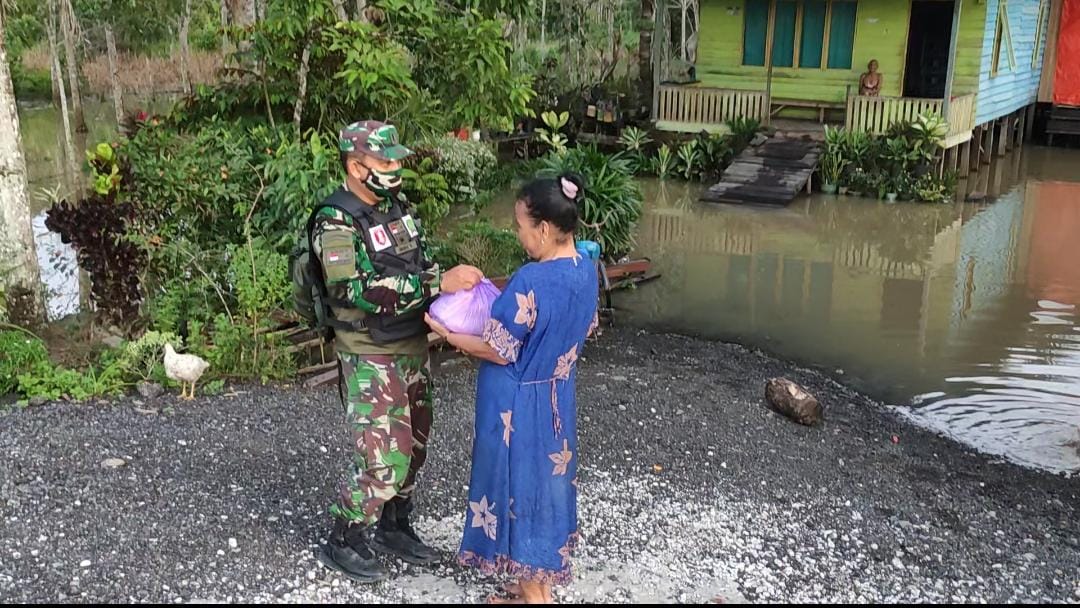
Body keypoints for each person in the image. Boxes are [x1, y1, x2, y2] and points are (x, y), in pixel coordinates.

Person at [311, 120, 483, 583]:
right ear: (356, 166)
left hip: (410, 346)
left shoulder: (396, 208)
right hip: (369, 352)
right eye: (386, 162)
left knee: (416, 445)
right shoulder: (334, 220)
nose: (396, 169)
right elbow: (351, 289)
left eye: (397, 160)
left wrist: (452, 299)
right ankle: (344, 536)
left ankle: (393, 525)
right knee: (384, 459)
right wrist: (435, 284)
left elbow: (419, 263)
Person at [426, 174, 599, 604]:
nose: (518, 234)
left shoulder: (530, 280)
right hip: (558, 396)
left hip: (515, 403)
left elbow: (498, 349)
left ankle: (536, 596)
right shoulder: (587, 269)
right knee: (545, 487)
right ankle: (530, 582)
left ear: (543, 229)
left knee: (514, 486)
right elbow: (580, 329)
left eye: (521, 225)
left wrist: (446, 335)